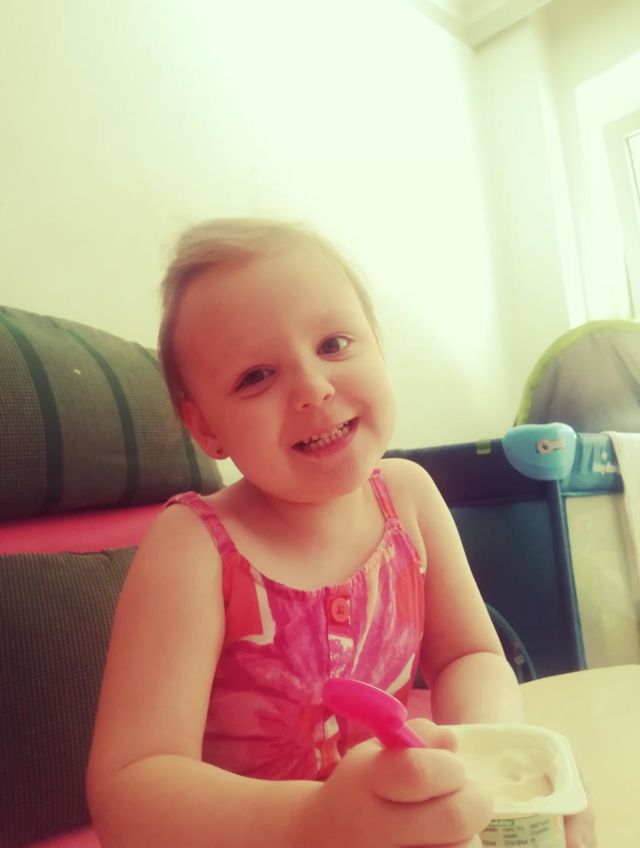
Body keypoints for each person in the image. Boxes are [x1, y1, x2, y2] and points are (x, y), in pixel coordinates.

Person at [87, 218, 595, 847]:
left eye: (333, 344)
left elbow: (469, 656)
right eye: (255, 376)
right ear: (206, 428)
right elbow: (130, 793)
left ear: (378, 347)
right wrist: (314, 821)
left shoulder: (409, 496)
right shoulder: (193, 547)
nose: (313, 388)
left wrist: (482, 761)